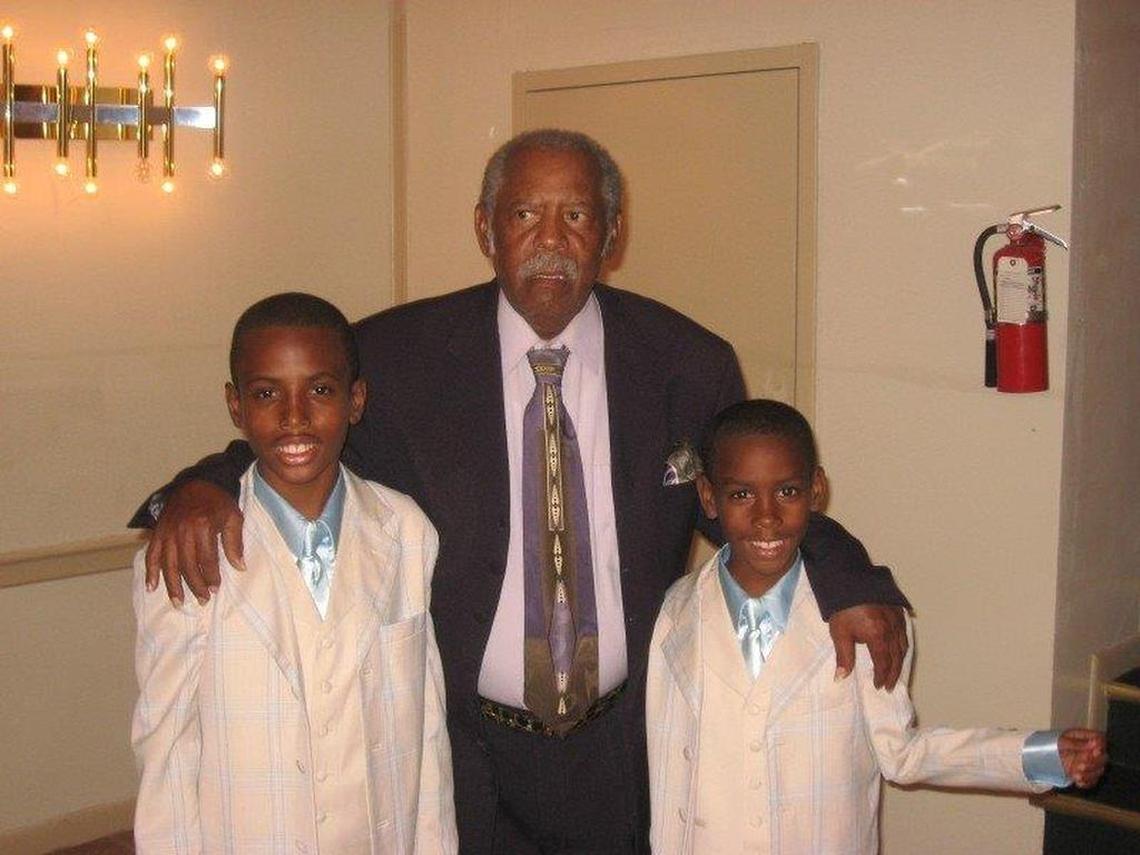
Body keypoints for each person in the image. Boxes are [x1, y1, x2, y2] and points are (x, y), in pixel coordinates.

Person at [130, 130, 912, 852]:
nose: (550, 240)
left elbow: (765, 490)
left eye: (576, 214)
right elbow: (298, 429)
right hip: (464, 751)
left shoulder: (686, 361)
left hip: (619, 749)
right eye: (525, 213)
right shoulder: (398, 357)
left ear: (610, 234)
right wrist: (201, 484)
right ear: (485, 229)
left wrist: (846, 577)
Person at [646, 399, 1108, 853]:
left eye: (787, 491)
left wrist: (1040, 755)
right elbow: (665, 769)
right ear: (709, 497)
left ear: (816, 491)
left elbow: (902, 753)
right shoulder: (677, 613)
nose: (766, 515)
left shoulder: (869, 622)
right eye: (741, 494)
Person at [131, 293, 457, 853]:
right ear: (236, 407)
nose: (295, 416)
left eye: (321, 390)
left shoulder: (405, 530)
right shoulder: (185, 551)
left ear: (356, 400)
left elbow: (426, 734)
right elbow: (169, 754)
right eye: (266, 394)